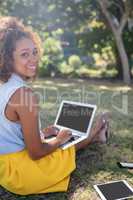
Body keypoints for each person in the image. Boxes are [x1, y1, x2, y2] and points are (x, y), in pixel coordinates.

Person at [0, 16, 109, 195]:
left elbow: (9, 135)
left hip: (4, 168)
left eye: (34, 52)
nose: (33, 59)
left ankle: (95, 133)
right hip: (20, 175)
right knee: (62, 149)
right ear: (8, 59)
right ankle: (96, 132)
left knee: (57, 140)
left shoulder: (3, 85)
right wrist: (59, 139)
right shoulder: (24, 94)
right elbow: (36, 152)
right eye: (24, 54)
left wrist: (42, 133)